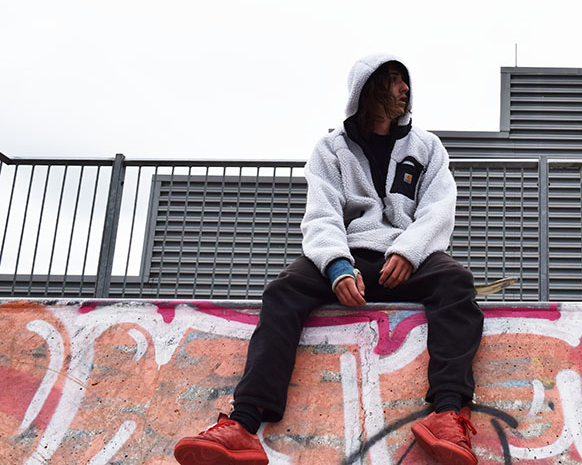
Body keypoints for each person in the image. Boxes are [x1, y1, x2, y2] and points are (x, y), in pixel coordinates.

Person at [173, 53, 484, 465]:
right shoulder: (330, 149)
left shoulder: (426, 147)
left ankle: (447, 413)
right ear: (368, 88)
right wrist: (336, 266)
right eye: (393, 81)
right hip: (348, 255)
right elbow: (321, 214)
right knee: (283, 290)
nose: (404, 89)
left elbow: (438, 209)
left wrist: (409, 252)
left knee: (456, 282)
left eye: (404, 81)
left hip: (404, 258)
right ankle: (242, 425)